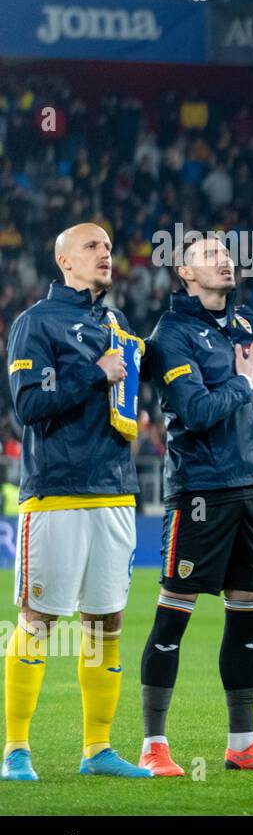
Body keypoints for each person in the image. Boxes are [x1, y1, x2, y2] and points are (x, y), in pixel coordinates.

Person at [139, 235, 253, 775]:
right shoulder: (172, 334)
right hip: (201, 491)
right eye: (209, 256)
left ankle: (243, 742)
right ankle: (154, 746)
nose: (225, 259)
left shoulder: (251, 325)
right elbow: (196, 408)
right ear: (185, 274)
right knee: (173, 615)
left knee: (248, 618)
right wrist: (242, 380)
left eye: (226, 253)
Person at [3, 223, 152, 781]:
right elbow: (29, 406)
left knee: (105, 621)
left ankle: (98, 750)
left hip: (115, 489)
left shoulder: (116, 323)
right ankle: (16, 749)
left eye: (109, 247)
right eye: (92, 246)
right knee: (38, 619)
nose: (105, 254)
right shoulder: (34, 323)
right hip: (57, 491)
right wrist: (95, 373)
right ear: (64, 260)